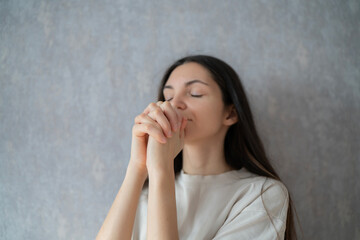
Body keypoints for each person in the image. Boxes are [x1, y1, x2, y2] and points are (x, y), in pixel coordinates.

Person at [96, 55, 297, 240]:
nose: (175, 104)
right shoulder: (145, 193)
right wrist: (137, 167)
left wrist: (162, 168)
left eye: (195, 93)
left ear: (231, 114)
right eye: (168, 97)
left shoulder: (261, 194)